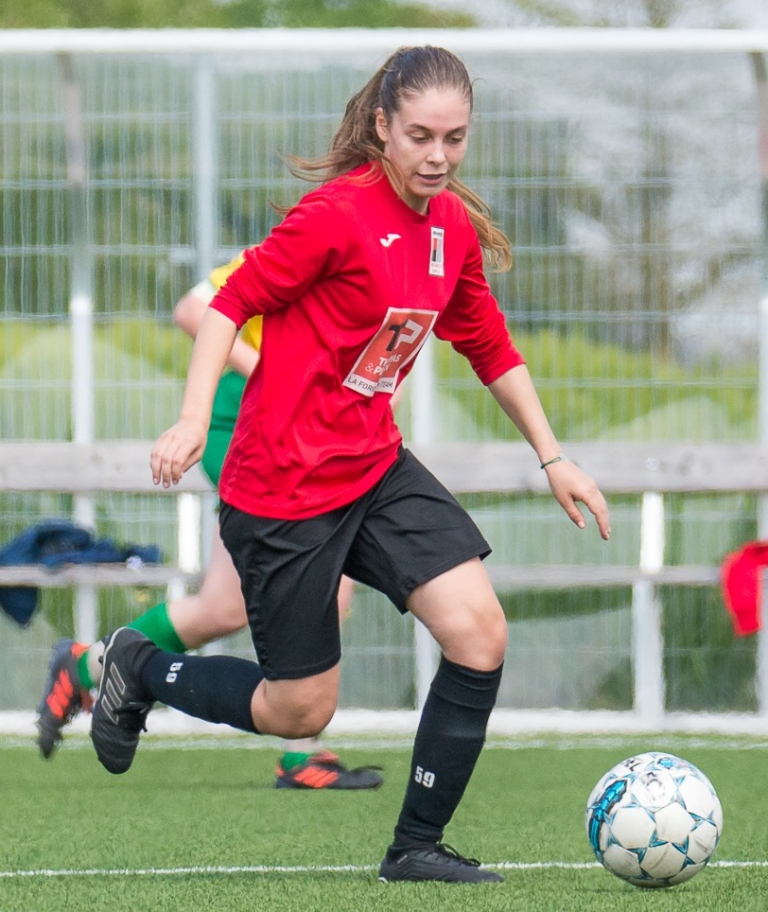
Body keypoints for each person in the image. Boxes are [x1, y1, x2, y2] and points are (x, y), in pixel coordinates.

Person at [89, 45, 611, 884]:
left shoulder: (451, 231)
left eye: (456, 138)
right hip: (284, 490)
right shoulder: (335, 215)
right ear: (382, 128)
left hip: (373, 467)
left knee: (479, 633)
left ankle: (415, 846)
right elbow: (228, 306)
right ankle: (138, 667)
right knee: (300, 710)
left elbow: (488, 344)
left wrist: (553, 455)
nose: (438, 157)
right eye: (420, 136)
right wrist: (192, 420)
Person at [35, 258, 383, 790]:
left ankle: (88, 666)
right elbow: (193, 309)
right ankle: (301, 752)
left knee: (223, 606)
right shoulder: (319, 236)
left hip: (315, 430)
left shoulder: (409, 256)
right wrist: (273, 371)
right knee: (324, 582)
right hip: (252, 418)